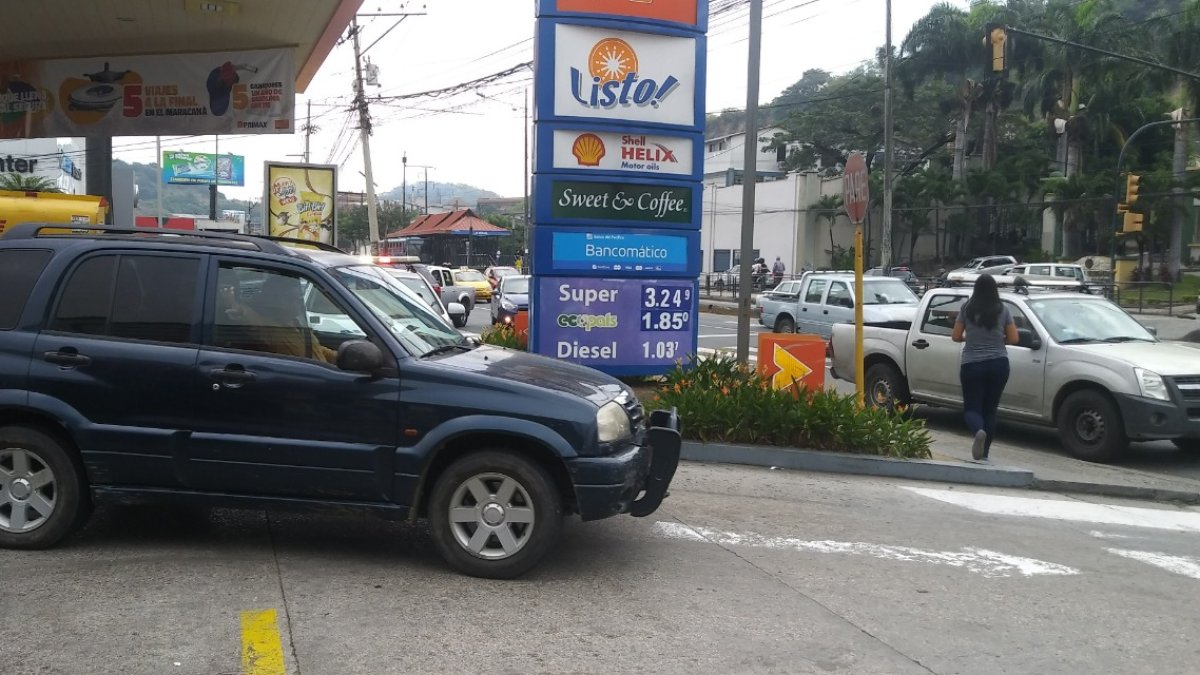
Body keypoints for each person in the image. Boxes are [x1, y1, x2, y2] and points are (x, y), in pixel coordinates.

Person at [952, 274, 1018, 461]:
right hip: (998, 364)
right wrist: (998, 339)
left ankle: (978, 431)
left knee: (972, 409)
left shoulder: (967, 308)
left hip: (972, 364)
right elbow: (1014, 338)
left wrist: (970, 338)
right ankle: (984, 454)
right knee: (990, 410)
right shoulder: (1003, 310)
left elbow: (956, 336)